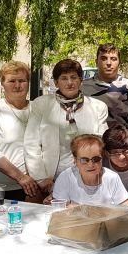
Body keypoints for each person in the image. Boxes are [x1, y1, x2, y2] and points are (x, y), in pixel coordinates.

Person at [24, 59, 109, 193]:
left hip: (87, 177)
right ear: (56, 82)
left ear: (81, 80)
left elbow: (100, 146)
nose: (70, 83)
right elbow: (31, 143)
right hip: (49, 178)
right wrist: (41, 179)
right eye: (64, 78)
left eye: (74, 77)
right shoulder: (41, 104)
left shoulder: (98, 107)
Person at [0, 61, 41, 201]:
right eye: (12, 81)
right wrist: (20, 176)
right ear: (2, 83)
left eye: (22, 81)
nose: (17, 85)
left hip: (32, 186)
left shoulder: (38, 108)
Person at [81, 43, 128, 128]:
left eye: (113, 59)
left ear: (119, 62)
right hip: (94, 139)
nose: (108, 63)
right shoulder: (83, 87)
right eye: (104, 58)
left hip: (126, 138)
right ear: (96, 62)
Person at [102, 125, 128, 199]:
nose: (122, 157)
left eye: (125, 151)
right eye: (115, 153)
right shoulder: (102, 161)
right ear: (107, 153)